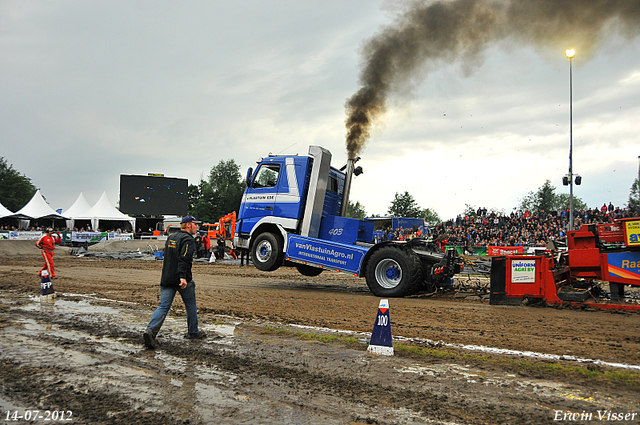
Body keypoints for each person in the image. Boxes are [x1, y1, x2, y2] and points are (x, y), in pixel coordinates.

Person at [143, 216, 206, 349]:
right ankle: (193, 332)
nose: (197, 227)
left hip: (167, 278)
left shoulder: (171, 237)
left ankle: (150, 331)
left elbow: (168, 257)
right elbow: (184, 258)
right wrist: (182, 277)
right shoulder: (188, 239)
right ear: (188, 225)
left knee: (163, 307)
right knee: (190, 305)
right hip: (182, 279)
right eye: (195, 224)